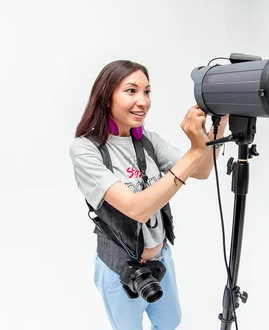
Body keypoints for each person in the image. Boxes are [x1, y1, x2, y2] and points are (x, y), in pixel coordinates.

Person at [69, 60, 227, 330]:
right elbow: (136, 208)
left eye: (147, 91)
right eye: (131, 91)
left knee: (170, 321)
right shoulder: (86, 150)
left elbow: (200, 170)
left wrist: (218, 122)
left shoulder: (148, 141)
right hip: (121, 268)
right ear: (106, 97)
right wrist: (194, 150)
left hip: (160, 261)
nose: (142, 101)